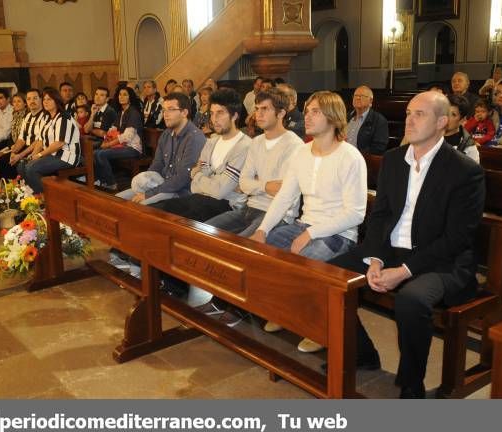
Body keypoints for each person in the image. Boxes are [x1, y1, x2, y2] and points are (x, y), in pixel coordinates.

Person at [329, 91, 485, 398]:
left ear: (442, 122)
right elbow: (382, 215)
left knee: (411, 300)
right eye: (409, 112)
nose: (409, 120)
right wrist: (374, 258)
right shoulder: (393, 160)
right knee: (327, 276)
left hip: (442, 261)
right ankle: (362, 353)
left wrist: (403, 271)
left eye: (420, 114)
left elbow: (457, 238)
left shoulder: (465, 171)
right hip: (391, 250)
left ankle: (411, 386)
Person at [250, 91, 368, 352]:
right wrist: (261, 229)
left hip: (339, 234)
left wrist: (312, 233)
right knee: (259, 249)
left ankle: (318, 327)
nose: (308, 116)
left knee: (306, 263)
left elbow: (355, 214)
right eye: (307, 111)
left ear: (333, 116)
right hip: (305, 226)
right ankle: (284, 311)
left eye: (315, 111)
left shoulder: (350, 157)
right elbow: (284, 197)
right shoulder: (302, 153)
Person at [190, 87, 303, 327]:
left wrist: (256, 185)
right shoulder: (257, 142)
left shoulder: (294, 145)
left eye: (265, 109)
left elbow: (282, 191)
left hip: (276, 214)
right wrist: (263, 185)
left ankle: (240, 307)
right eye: (257, 108)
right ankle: (221, 300)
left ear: (281, 113)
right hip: (249, 207)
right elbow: (243, 182)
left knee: (238, 248)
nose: (258, 114)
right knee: (206, 233)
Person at [151, 88, 251, 223]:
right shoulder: (211, 142)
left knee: (170, 222)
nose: (214, 119)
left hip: (227, 204)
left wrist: (196, 174)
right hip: (199, 197)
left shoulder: (244, 146)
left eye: (220, 113)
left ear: (234, 116)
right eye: (212, 113)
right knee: (154, 211)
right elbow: (194, 187)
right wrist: (209, 180)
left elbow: (219, 191)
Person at [115, 92, 205, 206]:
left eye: (171, 109)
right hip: (160, 185)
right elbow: (157, 164)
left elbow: (183, 178)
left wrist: (149, 194)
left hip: (180, 191)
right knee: (117, 200)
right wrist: (146, 183)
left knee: (139, 207)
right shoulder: (166, 134)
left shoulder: (194, 138)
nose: (165, 114)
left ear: (184, 112)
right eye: (164, 110)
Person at [19, 88, 82, 193]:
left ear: (57, 100)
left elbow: (59, 143)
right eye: (44, 99)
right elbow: (40, 140)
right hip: (52, 154)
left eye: (49, 99)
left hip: (66, 156)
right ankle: (36, 194)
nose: (45, 102)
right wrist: (33, 155)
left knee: (31, 168)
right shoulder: (47, 117)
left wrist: (39, 155)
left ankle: (47, 198)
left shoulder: (64, 117)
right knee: (22, 164)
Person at [93, 86, 144, 189]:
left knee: (101, 154)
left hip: (132, 148)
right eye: (120, 94)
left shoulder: (133, 112)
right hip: (122, 146)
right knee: (95, 152)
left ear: (130, 97)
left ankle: (111, 183)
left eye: (125, 94)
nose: (121, 97)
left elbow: (127, 137)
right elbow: (113, 129)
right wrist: (107, 138)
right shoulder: (121, 112)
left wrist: (108, 144)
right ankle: (102, 180)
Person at [0, 89, 47, 180]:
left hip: (37, 149)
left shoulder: (45, 116)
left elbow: (38, 142)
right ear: (26, 102)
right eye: (29, 99)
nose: (32, 101)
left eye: (35, 98)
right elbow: (21, 139)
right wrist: (13, 152)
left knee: (17, 164)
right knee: (2, 161)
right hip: (25, 147)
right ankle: (9, 190)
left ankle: (22, 190)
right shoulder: (27, 116)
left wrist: (20, 155)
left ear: (41, 99)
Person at [345, 86, 389, 155]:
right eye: (355, 95)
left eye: (361, 96)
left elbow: (378, 148)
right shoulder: (346, 117)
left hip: (362, 161)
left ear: (370, 101)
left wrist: (357, 156)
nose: (357, 98)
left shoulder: (379, 120)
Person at [443, 94, 479, 162]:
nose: (446, 117)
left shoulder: (469, 148)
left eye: (453, 114)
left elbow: (473, 172)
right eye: (445, 111)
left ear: (462, 120)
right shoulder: (429, 138)